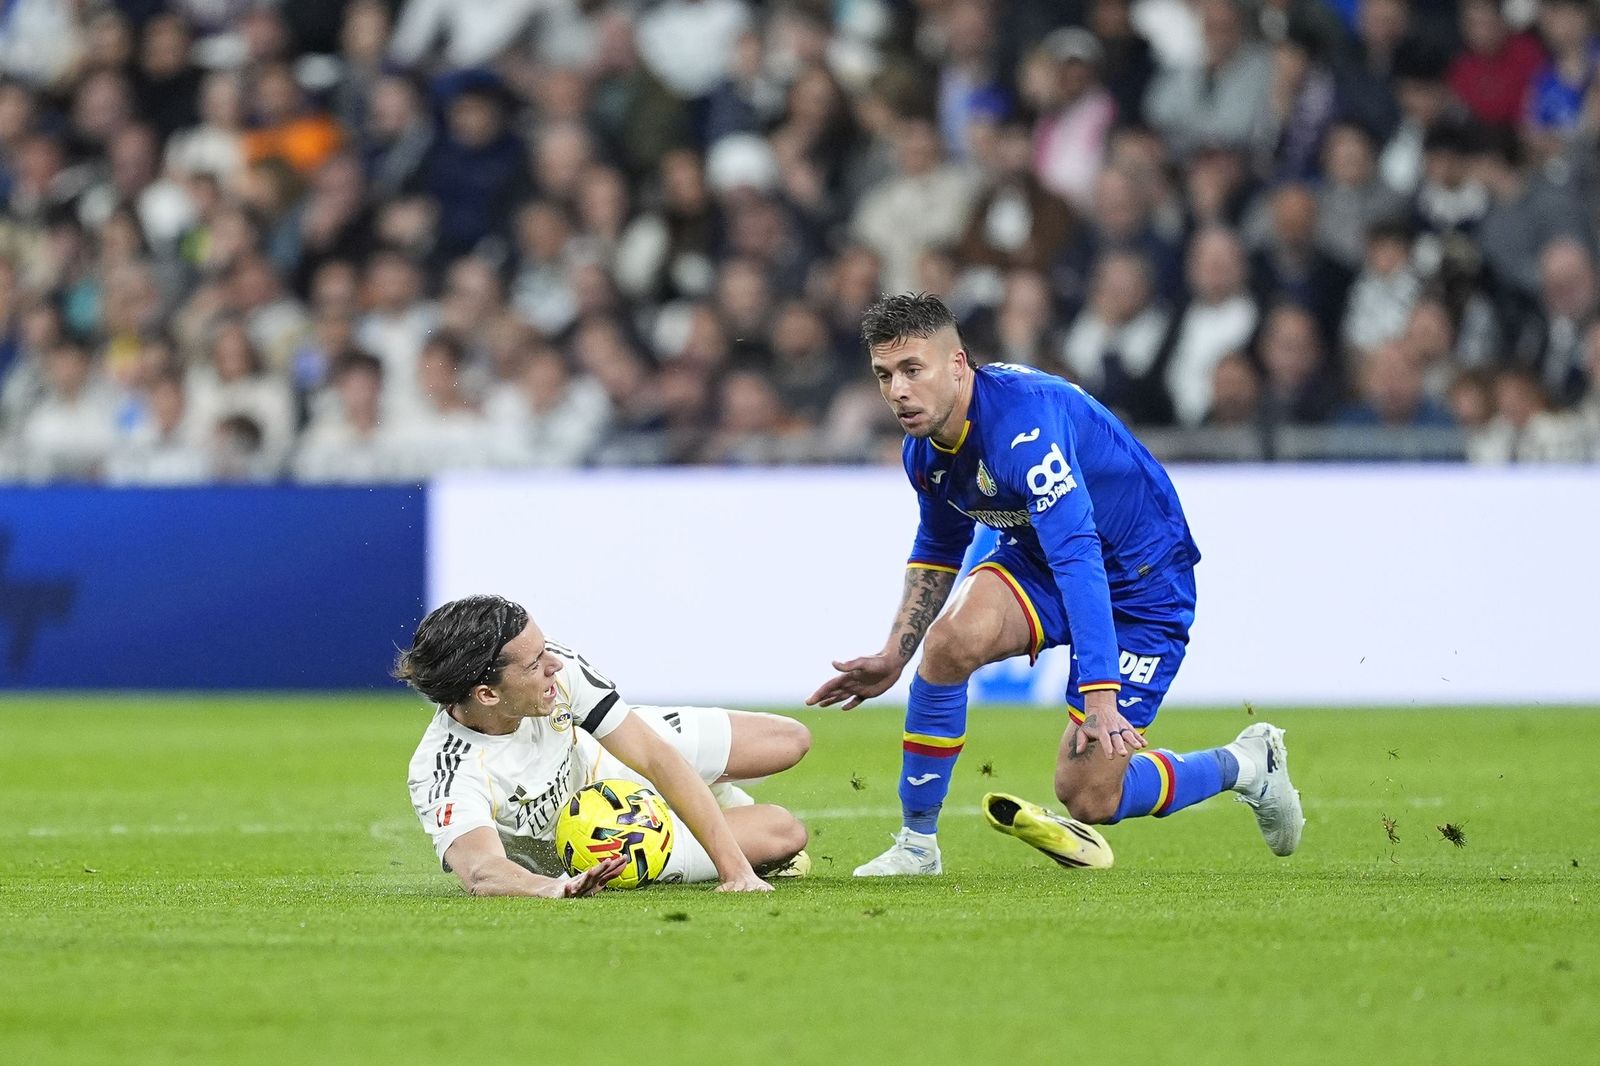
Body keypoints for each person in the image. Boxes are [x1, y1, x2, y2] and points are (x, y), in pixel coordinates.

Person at [808, 293, 1303, 876]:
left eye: (913, 370)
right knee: (947, 645)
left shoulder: (1025, 428)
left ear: (957, 364)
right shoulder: (924, 450)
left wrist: (1100, 695)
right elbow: (939, 547)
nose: (898, 391)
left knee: (1089, 797)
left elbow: (1079, 556)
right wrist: (896, 653)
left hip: (1142, 580)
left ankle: (1246, 764)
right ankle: (917, 846)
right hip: (1041, 558)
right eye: (884, 375)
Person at [400, 595, 810, 897]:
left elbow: (651, 755)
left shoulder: (551, 671)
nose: (555, 664)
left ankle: (713, 797)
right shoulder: (445, 773)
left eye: (544, 649)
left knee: (788, 740)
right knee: (783, 831)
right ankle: (709, 806)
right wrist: (552, 888)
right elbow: (482, 869)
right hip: (612, 840)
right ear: (488, 695)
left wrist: (736, 871)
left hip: (612, 757)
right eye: (535, 663)